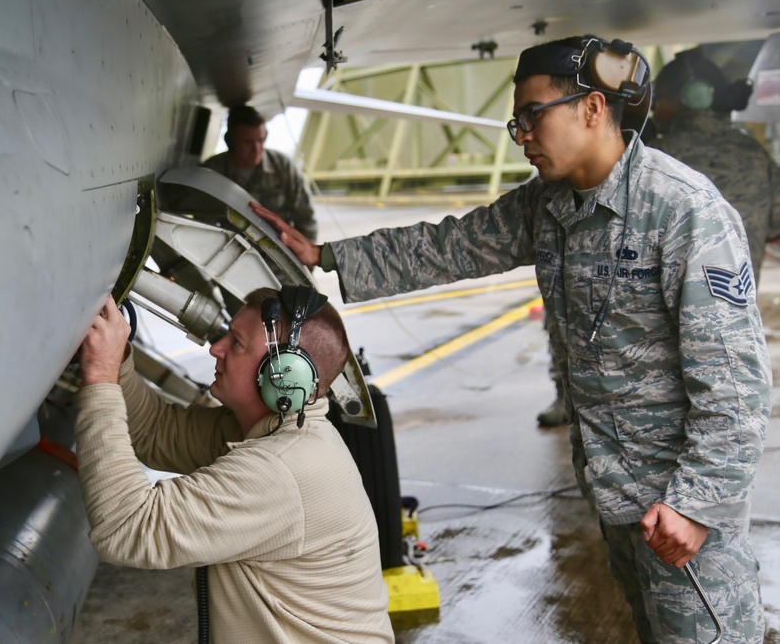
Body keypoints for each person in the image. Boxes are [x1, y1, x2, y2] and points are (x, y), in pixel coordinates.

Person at [252, 35, 771, 644]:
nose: (521, 135)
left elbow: (736, 387)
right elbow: (450, 245)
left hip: (683, 511)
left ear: (592, 108)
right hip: (618, 498)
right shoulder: (550, 204)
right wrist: (326, 254)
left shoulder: (683, 211)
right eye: (515, 121)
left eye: (532, 115)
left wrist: (697, 506)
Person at [74, 286, 394, 643]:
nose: (216, 348)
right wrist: (114, 359)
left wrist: (100, 379)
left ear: (284, 374)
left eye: (237, 343)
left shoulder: (281, 469)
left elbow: (126, 528)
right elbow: (157, 431)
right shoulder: (270, 431)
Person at [650, 47, 780, 282]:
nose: (653, 109)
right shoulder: (755, 155)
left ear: (692, 97)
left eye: (659, 98)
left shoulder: (654, 157)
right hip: (738, 301)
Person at [204, 105, 319, 241]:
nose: (257, 148)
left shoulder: (283, 167)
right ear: (231, 142)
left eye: (261, 140)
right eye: (248, 142)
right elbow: (202, 220)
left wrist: (303, 252)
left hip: (275, 249)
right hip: (226, 247)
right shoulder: (212, 171)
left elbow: (306, 219)